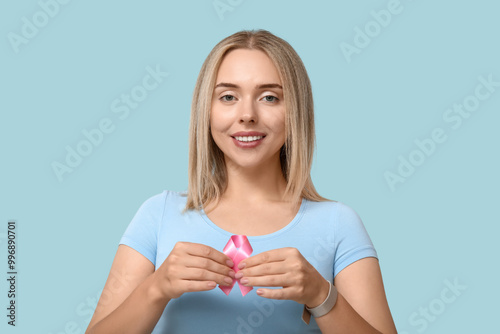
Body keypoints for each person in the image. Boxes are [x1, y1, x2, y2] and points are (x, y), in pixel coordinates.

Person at [85, 29, 397, 333]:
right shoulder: (157, 215)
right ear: (206, 110)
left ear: (296, 112)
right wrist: (155, 288)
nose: (247, 114)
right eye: (228, 96)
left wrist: (321, 296)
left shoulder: (338, 224)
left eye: (270, 97)